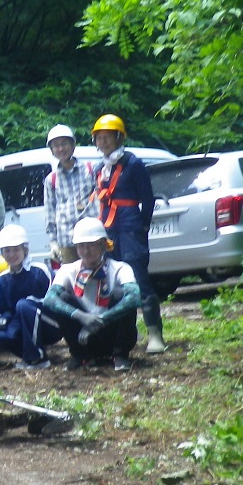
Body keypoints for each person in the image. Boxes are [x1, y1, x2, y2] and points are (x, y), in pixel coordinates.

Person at [90, 114, 165, 354]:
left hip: (131, 226)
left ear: (118, 137)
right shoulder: (100, 168)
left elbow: (147, 198)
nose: (103, 142)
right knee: (113, 281)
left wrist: (143, 226)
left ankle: (155, 334)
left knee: (139, 277)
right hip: (108, 228)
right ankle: (123, 334)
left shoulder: (133, 163)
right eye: (99, 138)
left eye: (107, 137)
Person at [42, 218, 141, 371]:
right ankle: (80, 355)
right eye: (81, 246)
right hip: (83, 336)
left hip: (111, 331)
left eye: (92, 245)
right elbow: (49, 299)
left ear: (103, 245)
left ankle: (120, 355)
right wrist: (81, 316)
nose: (86, 251)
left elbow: (134, 297)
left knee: (121, 294)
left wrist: (102, 319)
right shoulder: (68, 270)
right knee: (62, 299)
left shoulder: (120, 268)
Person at [0, 225, 58, 370]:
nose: (11, 254)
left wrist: (28, 305)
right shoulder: (3, 279)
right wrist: (4, 318)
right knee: (0, 335)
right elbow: (6, 309)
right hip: (23, 324)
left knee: (24, 305)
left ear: (25, 250)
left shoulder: (39, 271)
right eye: (7, 250)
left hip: (50, 323)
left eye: (16, 249)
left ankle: (37, 359)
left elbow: (52, 301)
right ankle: (30, 354)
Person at [43, 124, 98, 266]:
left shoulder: (91, 170)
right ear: (52, 150)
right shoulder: (51, 179)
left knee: (98, 279)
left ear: (73, 145)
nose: (60, 149)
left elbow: (104, 202)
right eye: (55, 146)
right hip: (67, 241)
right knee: (73, 282)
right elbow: (50, 213)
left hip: (93, 238)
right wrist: (53, 243)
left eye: (64, 143)